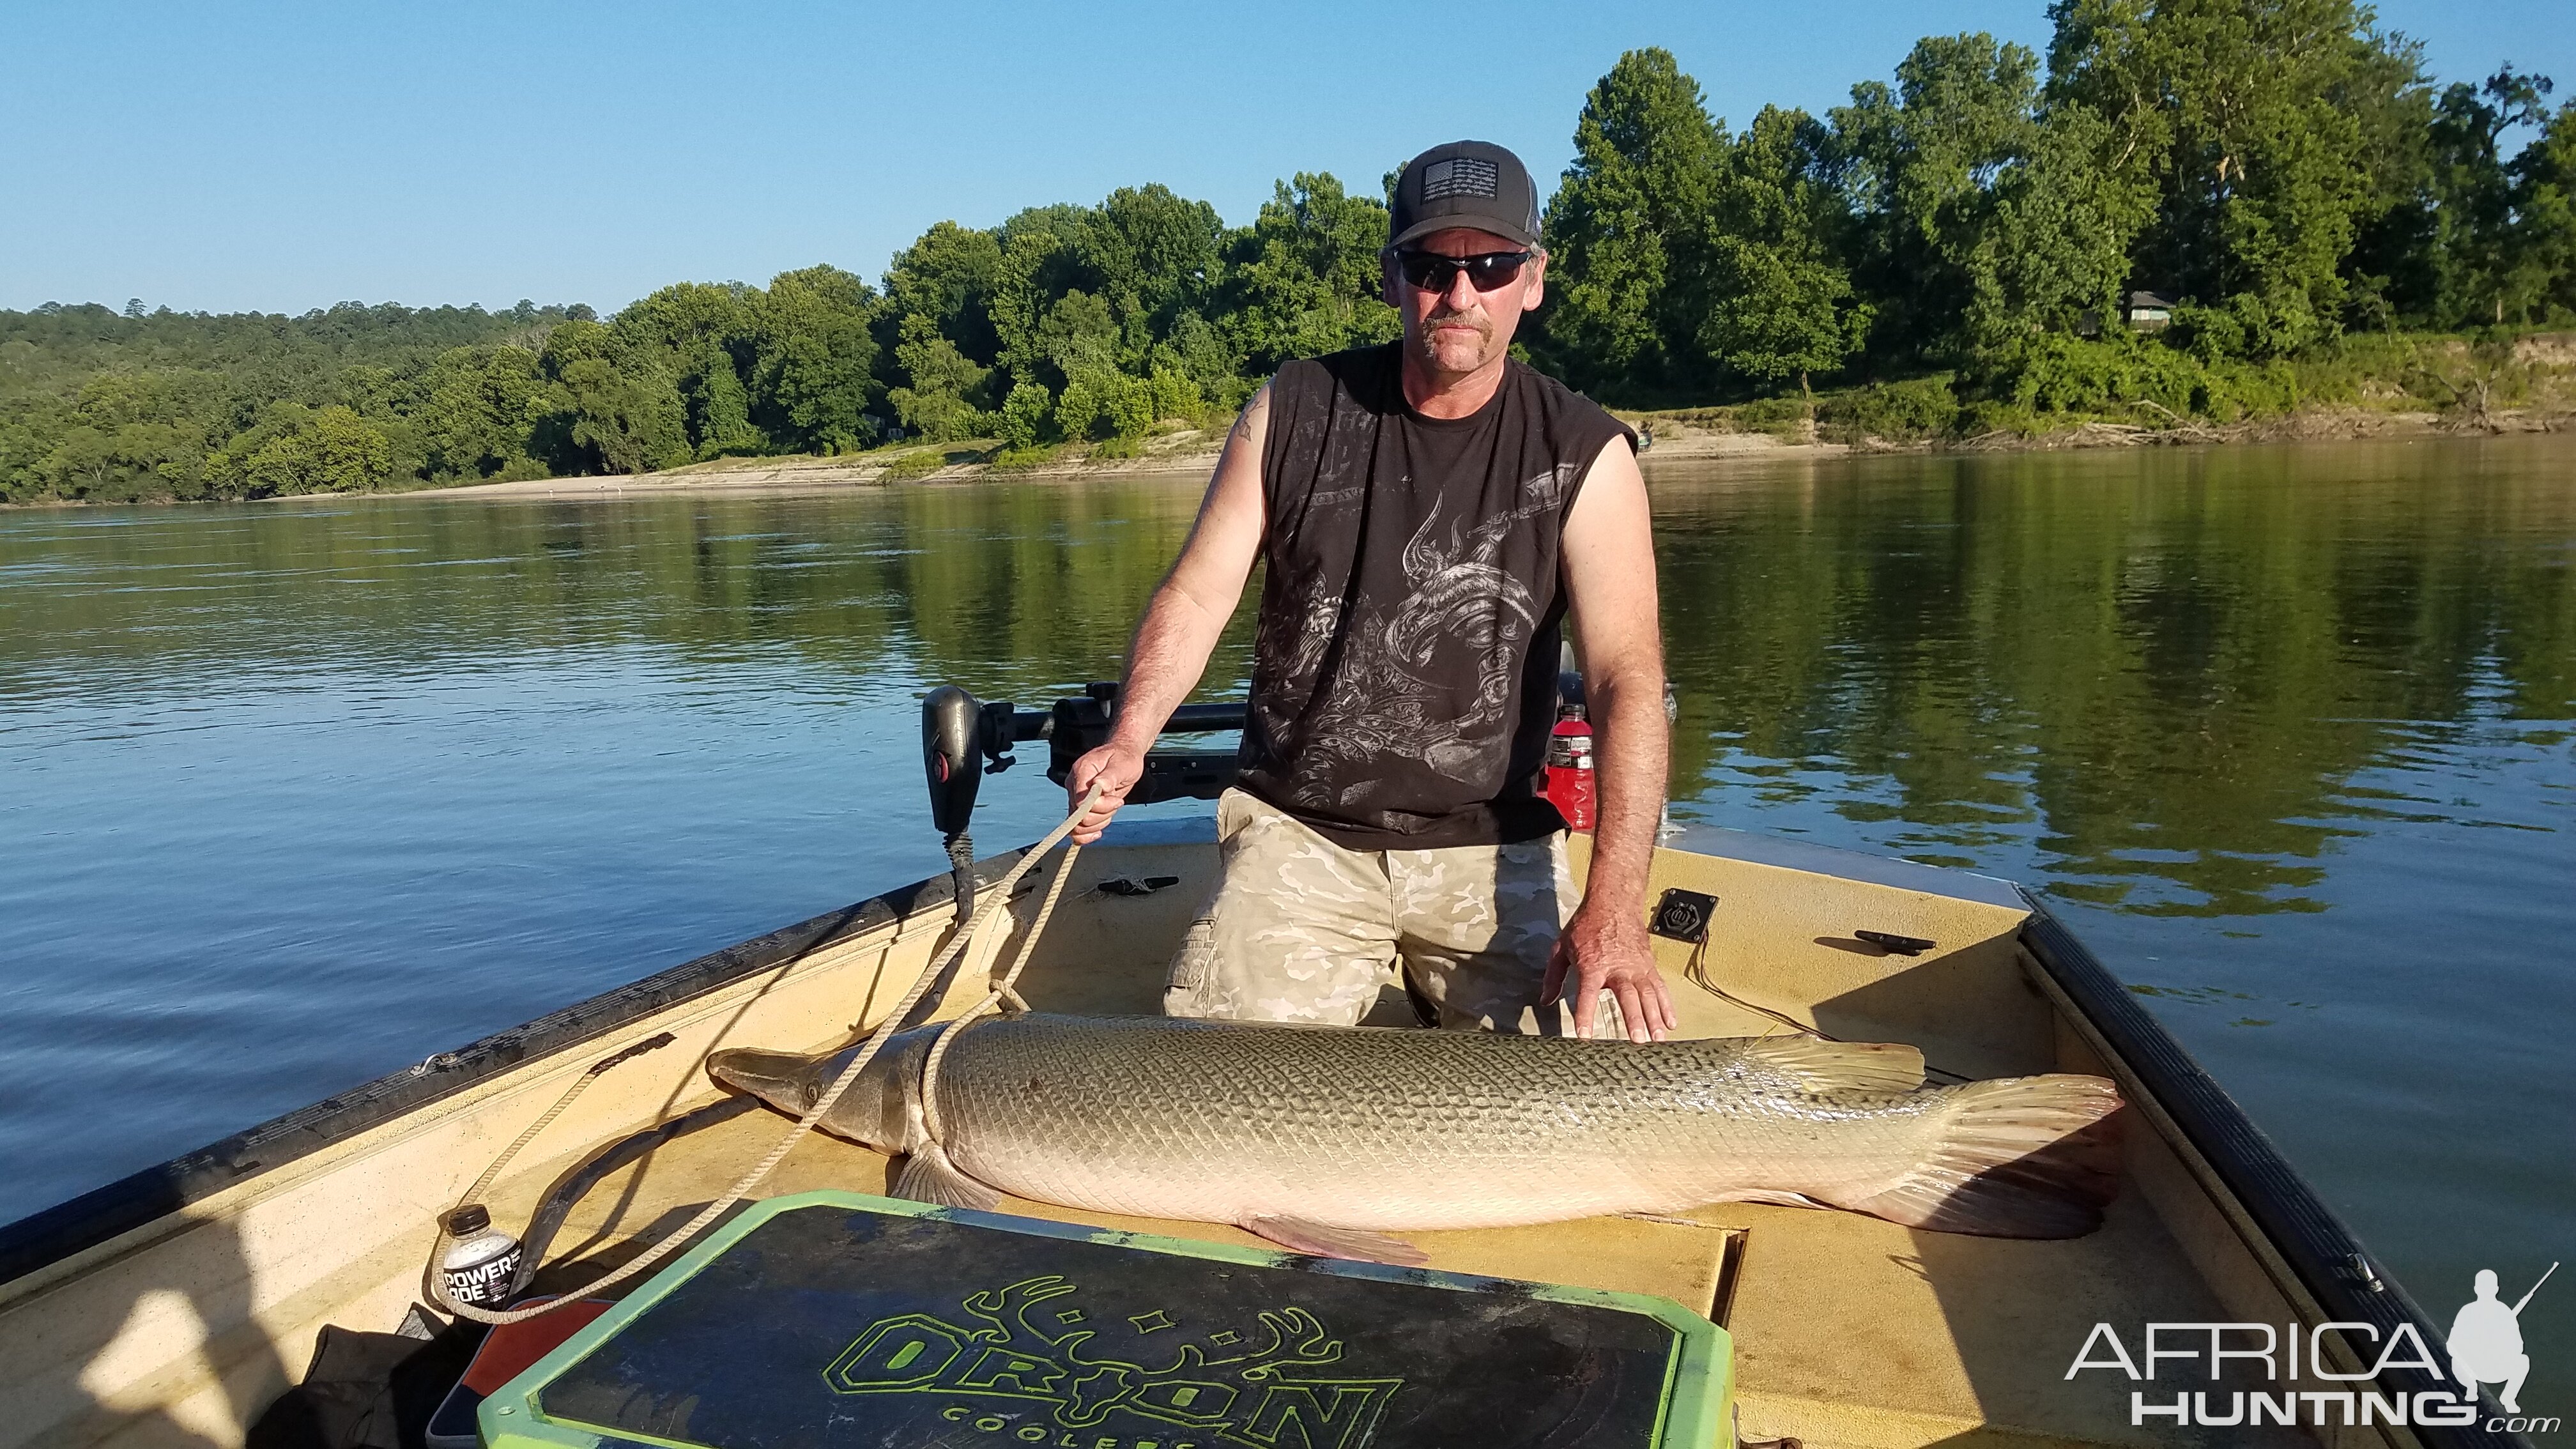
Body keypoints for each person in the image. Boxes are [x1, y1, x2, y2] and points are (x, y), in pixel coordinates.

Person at [1065, 140, 1676, 1043]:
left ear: (1533, 279)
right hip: (1301, 832)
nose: (1461, 295)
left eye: (1492, 265)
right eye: (1433, 267)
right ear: (1395, 277)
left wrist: (1614, 904)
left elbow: (1627, 677)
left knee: (1599, 1075)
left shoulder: (1585, 452)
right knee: (1225, 1081)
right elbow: (1198, 595)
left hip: (1491, 841)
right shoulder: (1293, 410)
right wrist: (1129, 739)